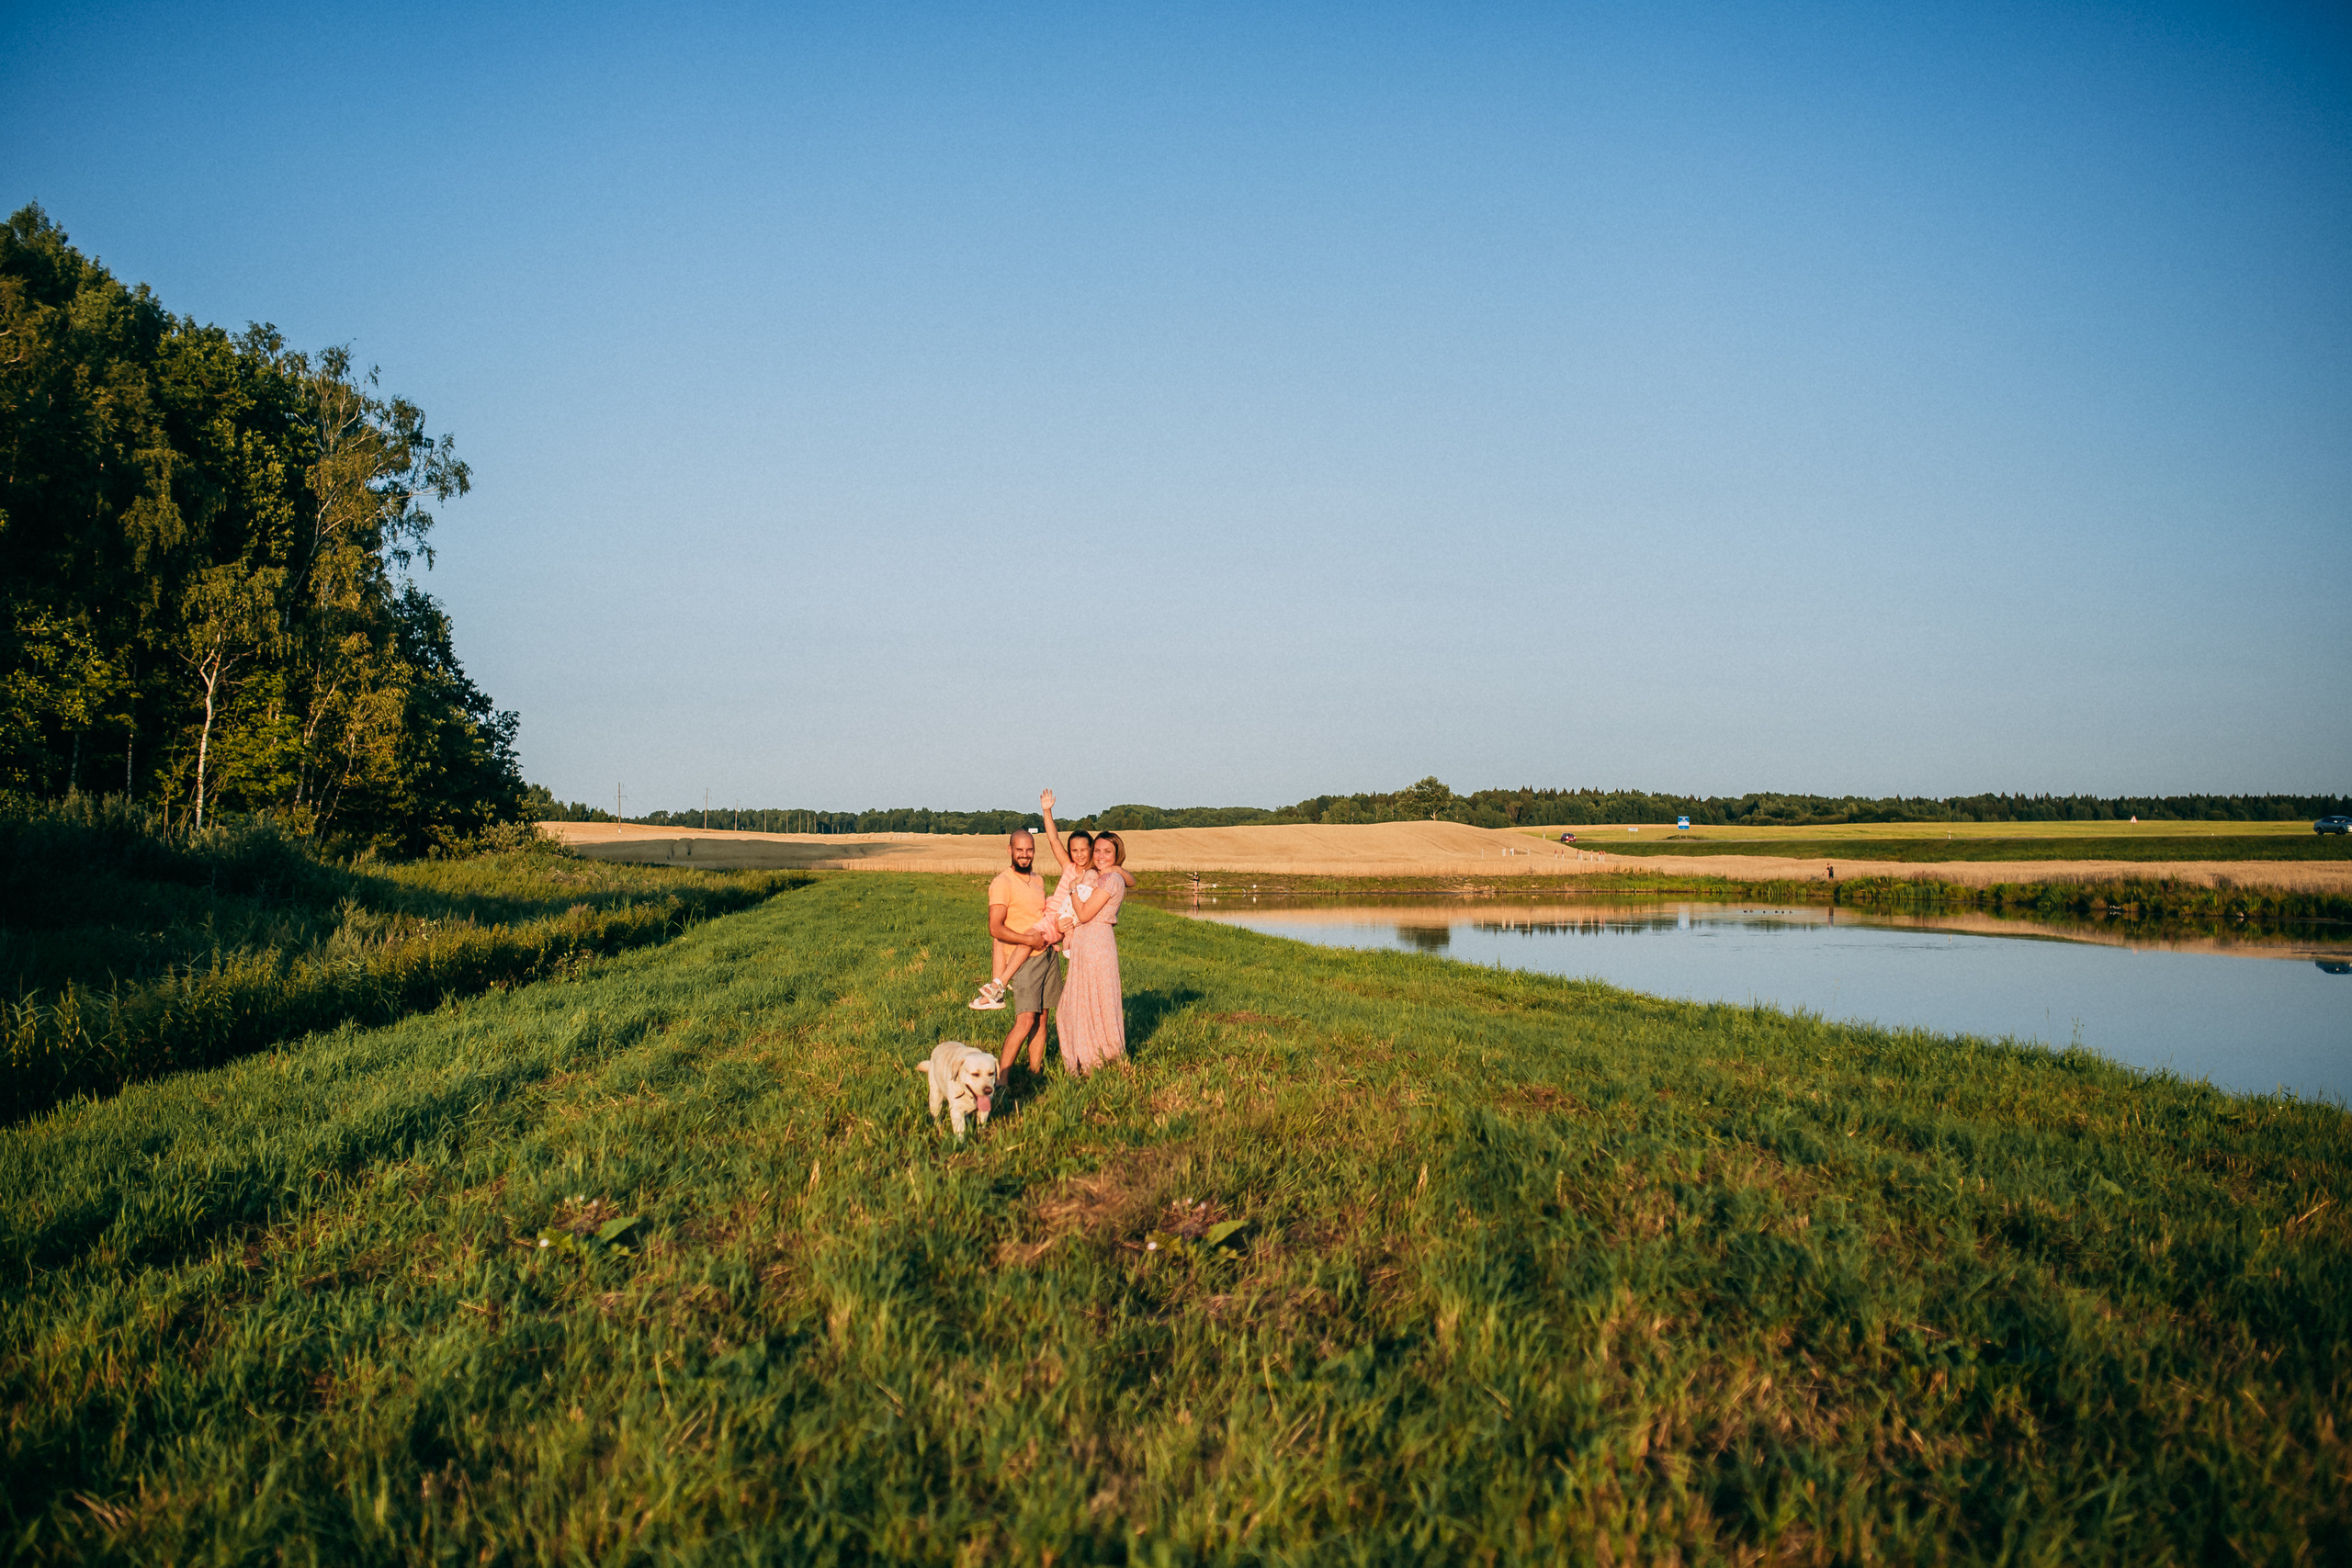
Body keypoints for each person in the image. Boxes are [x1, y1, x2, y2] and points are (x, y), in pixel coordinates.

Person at [978, 826, 1063, 1081]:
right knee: (1025, 1020)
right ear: (1010, 851)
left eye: (1029, 850)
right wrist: (1027, 940)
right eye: (1019, 850)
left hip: (1047, 956)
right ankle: (1002, 1080)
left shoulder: (1038, 880)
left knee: (1043, 1018)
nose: (1025, 855)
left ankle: (1034, 1072)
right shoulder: (1002, 883)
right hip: (1023, 960)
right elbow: (995, 928)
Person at [1055, 829, 1129, 1074]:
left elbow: (1085, 914)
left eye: (1107, 851)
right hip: (1086, 941)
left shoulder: (1110, 880)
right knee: (1084, 999)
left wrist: (1073, 891)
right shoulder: (1099, 876)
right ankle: (1086, 1055)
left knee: (1095, 999)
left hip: (1097, 941)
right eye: (1097, 850)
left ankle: (1097, 1057)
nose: (1100, 855)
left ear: (1117, 854)